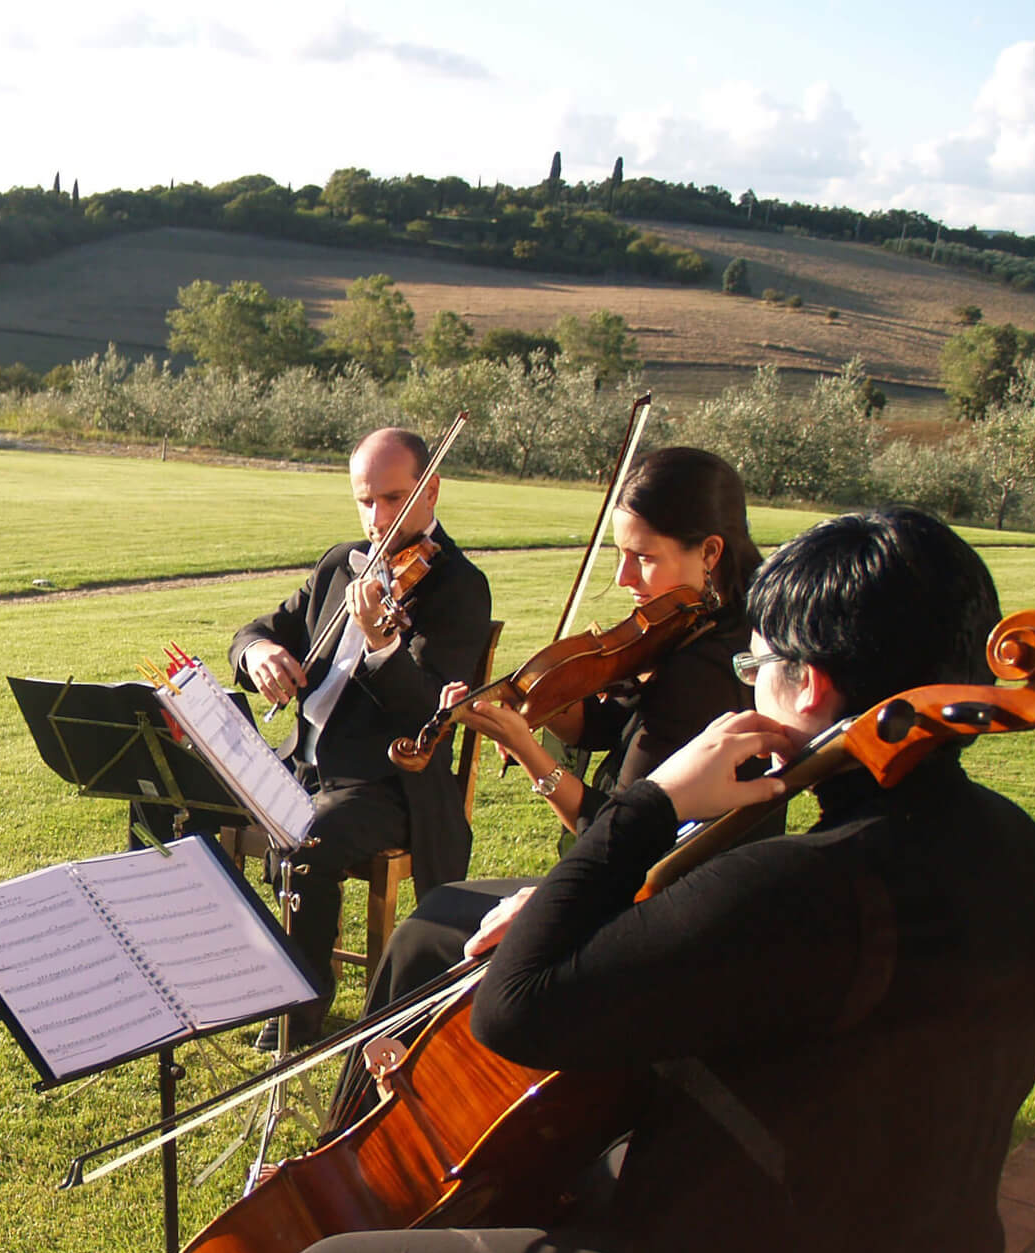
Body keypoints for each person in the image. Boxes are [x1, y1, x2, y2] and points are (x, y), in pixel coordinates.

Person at [167, 505, 1035, 1253]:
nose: (743, 674)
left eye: (758, 659)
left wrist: (653, 807)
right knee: (556, 1167)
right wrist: (601, 905)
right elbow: (767, 1018)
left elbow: (518, 1011)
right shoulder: (1008, 853)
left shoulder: (804, 888)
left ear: (810, 687)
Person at [328, 444, 767, 1127]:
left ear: (710, 552)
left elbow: (612, 834)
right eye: (620, 553)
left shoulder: (700, 671)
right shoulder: (704, 626)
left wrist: (529, 750)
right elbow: (609, 724)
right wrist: (543, 700)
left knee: (425, 938)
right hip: (660, 899)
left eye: (643, 557)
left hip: (651, 920)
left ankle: (362, 1132)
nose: (623, 578)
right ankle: (381, 1114)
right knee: (442, 910)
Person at [229, 427, 492, 1047]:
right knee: (180, 797)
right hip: (306, 764)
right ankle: (227, 975)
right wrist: (261, 652)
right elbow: (256, 629)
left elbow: (428, 710)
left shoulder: (457, 586)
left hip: (389, 783)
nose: (376, 520)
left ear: (431, 491)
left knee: (306, 838)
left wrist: (382, 644)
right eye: (364, 501)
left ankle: (300, 1012)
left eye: (392, 499)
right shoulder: (339, 563)